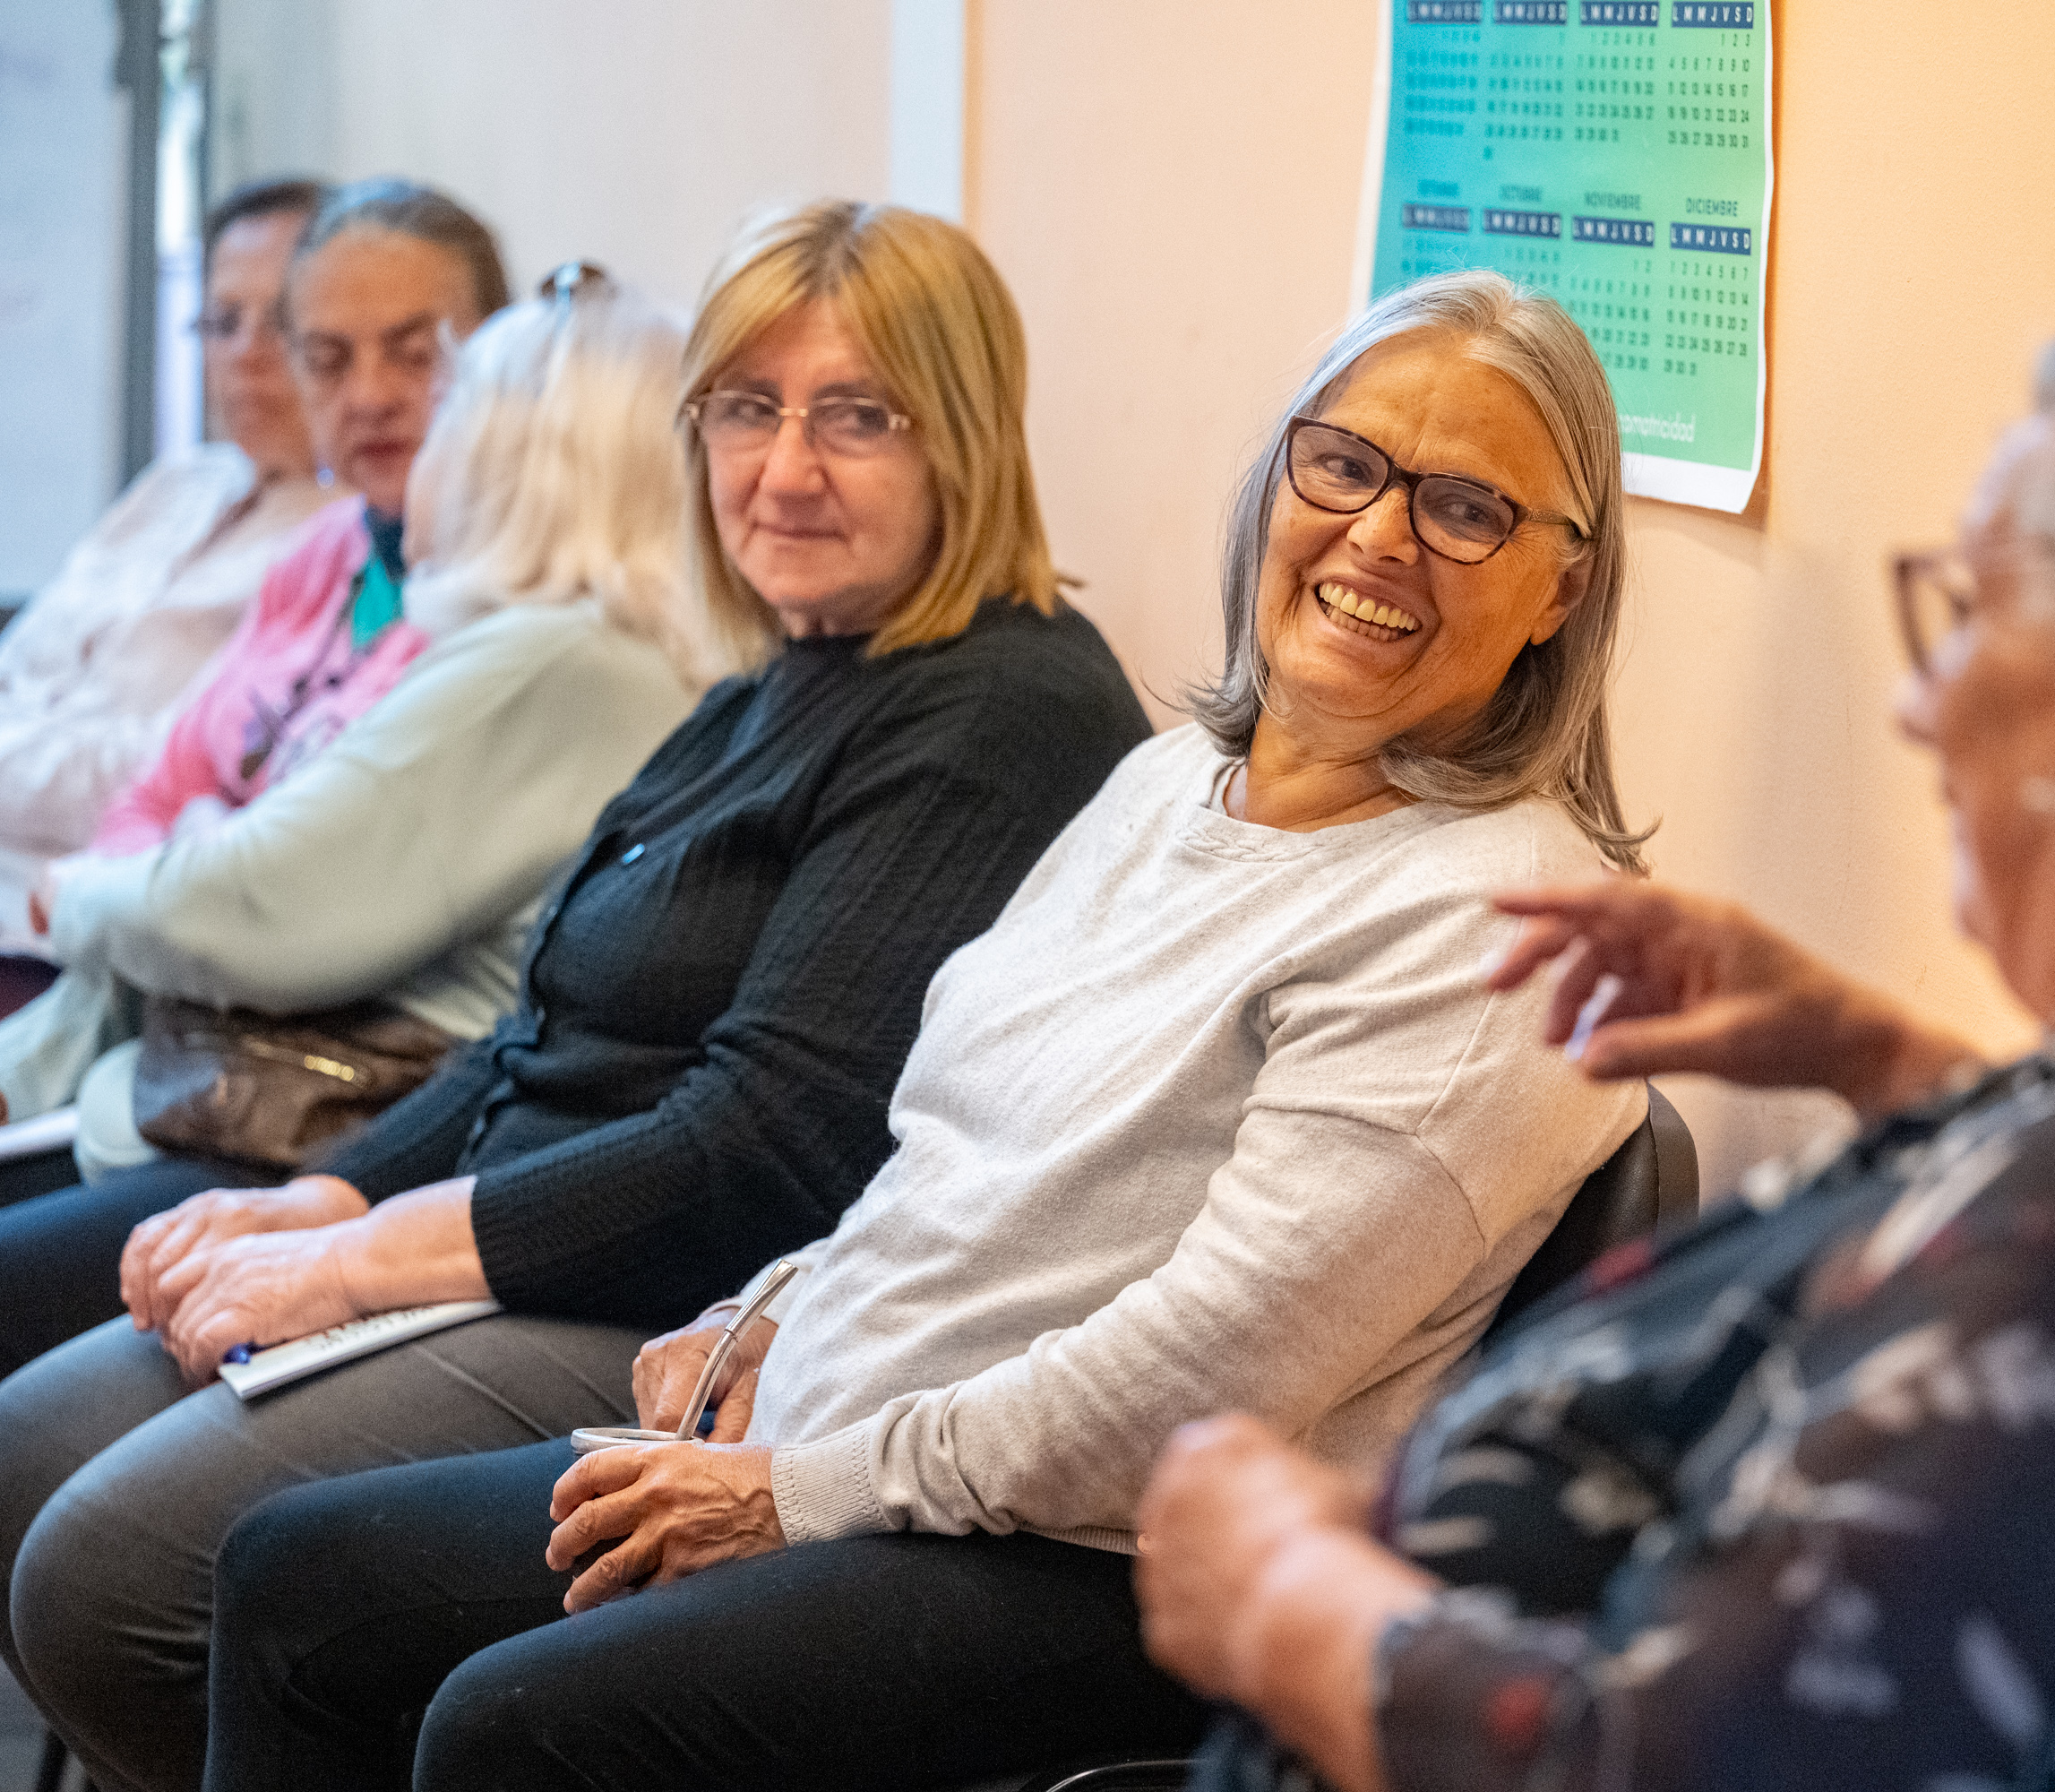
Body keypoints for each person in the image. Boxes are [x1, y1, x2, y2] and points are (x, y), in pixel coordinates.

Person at [1131, 290, 2055, 1792]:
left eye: (1972, 610)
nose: (1920, 701)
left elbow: (1663, 1765)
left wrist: (1271, 1592)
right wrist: (1882, 1062)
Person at [199, 267, 1647, 1791]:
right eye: (1343, 464)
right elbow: (961, 1156)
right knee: (297, 1583)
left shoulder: (1509, 931)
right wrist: (774, 1309)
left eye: (1467, 509)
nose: (1380, 535)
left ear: (1561, 589)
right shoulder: (1172, 784)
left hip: (1101, 1556)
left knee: (520, 1730)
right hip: (869, 1441)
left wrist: (800, 1493)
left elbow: (1202, 1379)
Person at [0, 200, 1153, 1792]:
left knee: (116, 1577)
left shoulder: (998, 708)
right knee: (28, 1452)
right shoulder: (784, 675)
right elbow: (533, 1035)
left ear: (965, 436)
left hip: (674, 1300)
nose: (784, 470)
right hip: (522, 1237)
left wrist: (353, 1262)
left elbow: (763, 1148)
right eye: (745, 410)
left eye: (856, 417)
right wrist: (329, 1196)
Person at [0, 267, 714, 1366]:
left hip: (338, 1129)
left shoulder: (553, 661)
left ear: (514, 461)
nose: (418, 443)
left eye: (447, 406)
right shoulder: (589, 650)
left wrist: (82, 894)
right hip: (354, 1125)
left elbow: (262, 904)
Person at [0, 177, 508, 1146]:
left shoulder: (511, 599)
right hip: (155, 1002)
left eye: (416, 355)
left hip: (324, 1081)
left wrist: (165, 875)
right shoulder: (325, 556)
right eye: (329, 357)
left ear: (502, 356)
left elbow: (298, 893)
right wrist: (188, 863)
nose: (369, 396)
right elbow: (154, 797)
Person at [0, 178, 341, 995]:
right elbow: (21, 666)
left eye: (281, 320)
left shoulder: (348, 544)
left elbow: (171, 774)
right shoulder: (178, 485)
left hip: (62, 939)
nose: (245, 353)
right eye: (222, 321)